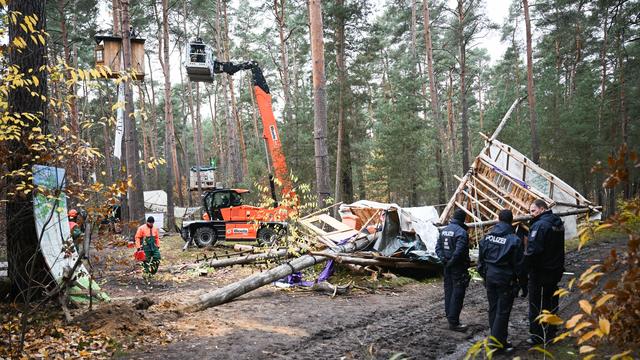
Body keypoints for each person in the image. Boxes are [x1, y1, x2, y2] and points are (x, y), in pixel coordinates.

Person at [478, 209, 526, 353]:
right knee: (502, 311)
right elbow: (519, 266)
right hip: (505, 280)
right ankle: (497, 345)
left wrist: (485, 276)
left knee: (493, 309)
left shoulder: (487, 238)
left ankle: (499, 340)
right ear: (511, 221)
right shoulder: (514, 240)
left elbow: (480, 261)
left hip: (490, 278)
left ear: (498, 219)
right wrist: (523, 284)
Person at [525, 199, 565, 345]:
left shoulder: (540, 225)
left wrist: (526, 268)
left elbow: (533, 251)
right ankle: (551, 332)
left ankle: (537, 336)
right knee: (552, 300)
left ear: (542, 209)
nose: (531, 215)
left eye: (533, 211)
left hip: (540, 271)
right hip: (555, 269)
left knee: (536, 304)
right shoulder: (557, 223)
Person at [436, 208, 471, 332]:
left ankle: (450, 316)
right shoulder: (461, 232)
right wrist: (451, 262)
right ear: (463, 219)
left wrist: (444, 260)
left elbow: (438, 247)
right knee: (457, 293)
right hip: (458, 267)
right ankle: (454, 322)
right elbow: (459, 251)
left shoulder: (444, 230)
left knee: (449, 291)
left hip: (447, 266)